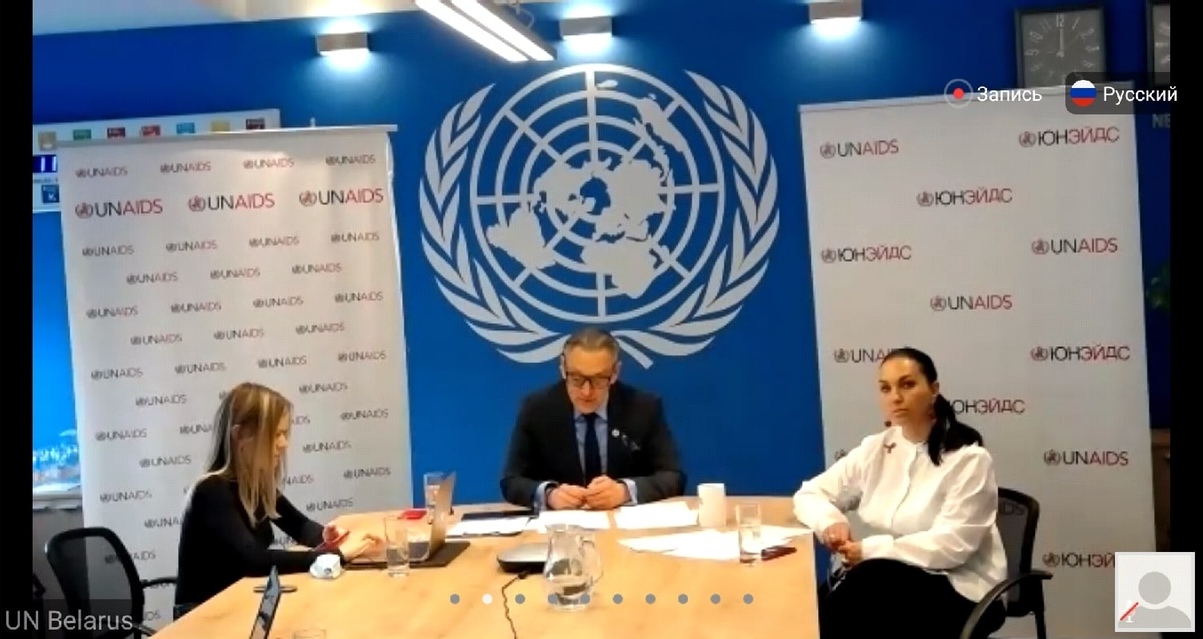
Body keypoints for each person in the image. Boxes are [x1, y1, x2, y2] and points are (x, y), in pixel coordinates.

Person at [793, 347, 1008, 639]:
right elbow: (810, 494)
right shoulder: (876, 448)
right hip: (890, 581)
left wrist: (871, 550)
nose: (895, 397)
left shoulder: (969, 460)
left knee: (867, 583)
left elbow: (953, 545)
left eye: (907, 385)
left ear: (934, 389)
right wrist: (830, 522)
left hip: (963, 587)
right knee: (833, 599)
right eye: (885, 388)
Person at [174, 382, 380, 616]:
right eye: (275, 434)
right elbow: (253, 560)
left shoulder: (257, 486)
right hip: (202, 618)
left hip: (239, 605)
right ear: (239, 436)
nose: (284, 444)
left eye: (284, 433)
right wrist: (335, 556)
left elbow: (300, 526)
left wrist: (328, 537)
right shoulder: (211, 491)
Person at [500, 326, 685, 511]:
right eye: (576, 379)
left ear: (615, 372)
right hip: (562, 525)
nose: (586, 392)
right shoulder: (537, 409)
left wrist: (624, 491)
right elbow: (511, 481)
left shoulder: (643, 408)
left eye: (598, 380)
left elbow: (673, 476)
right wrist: (550, 495)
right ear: (563, 367)